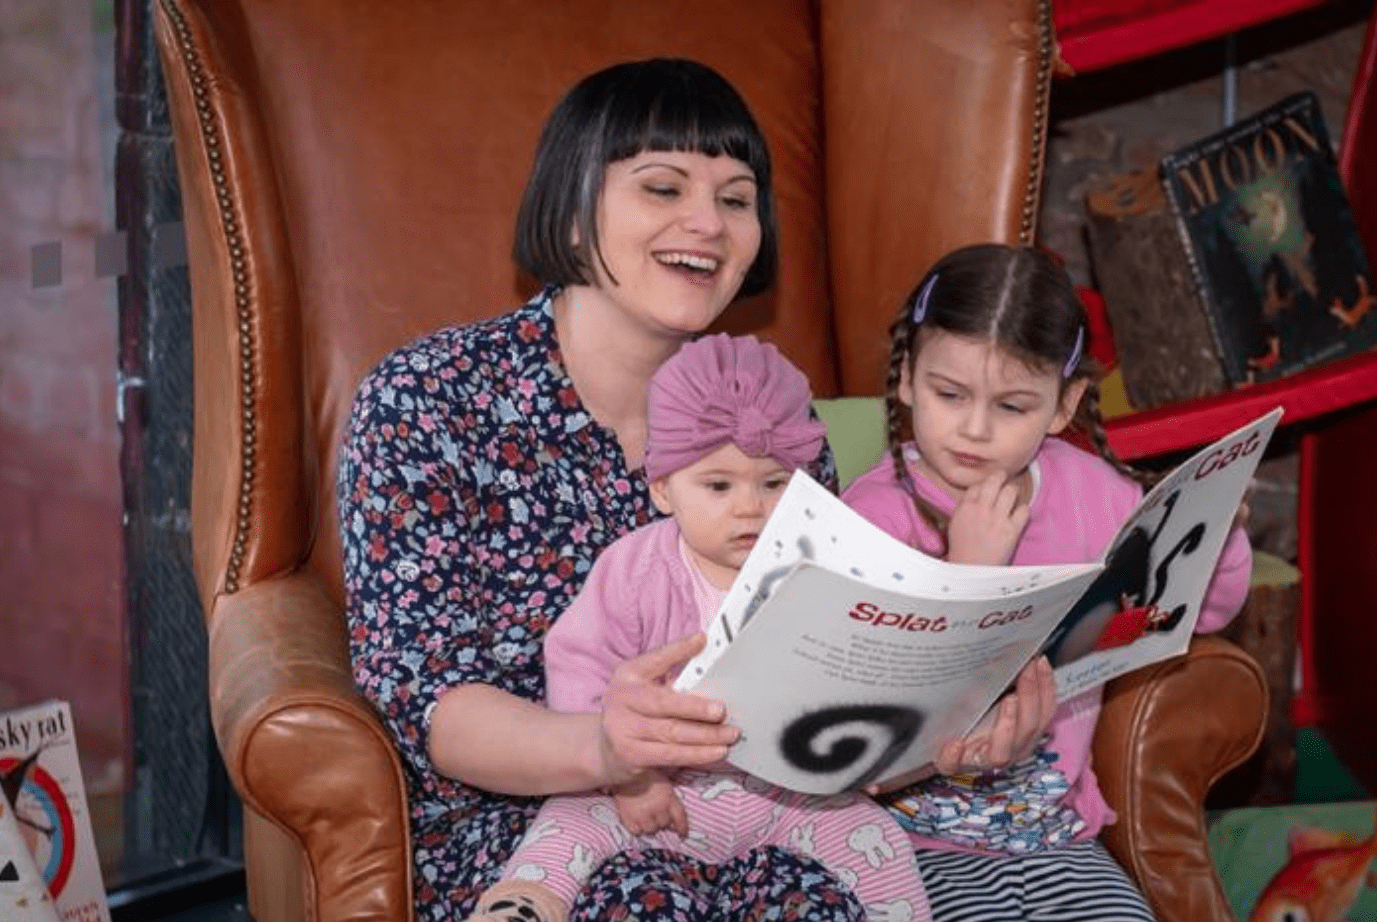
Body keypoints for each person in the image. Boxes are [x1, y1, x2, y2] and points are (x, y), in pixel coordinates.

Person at [339, 56, 894, 922]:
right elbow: (423, 698)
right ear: (571, 204)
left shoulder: (773, 419)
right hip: (525, 827)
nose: (706, 223)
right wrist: (601, 745)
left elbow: (824, 671)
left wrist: (951, 726)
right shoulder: (429, 402)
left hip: (762, 816)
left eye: (736, 199)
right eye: (663, 188)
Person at [840, 243, 1252, 920]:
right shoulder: (873, 515)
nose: (973, 428)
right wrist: (970, 577)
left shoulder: (1089, 490)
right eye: (949, 394)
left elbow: (1202, 610)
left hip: (1054, 835)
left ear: (1063, 407)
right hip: (901, 842)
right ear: (908, 376)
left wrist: (1216, 535)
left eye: (1012, 406)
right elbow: (866, 719)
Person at [464, 333, 932, 922]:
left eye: (773, 483)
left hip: (784, 798)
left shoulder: (821, 569)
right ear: (663, 489)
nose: (749, 508)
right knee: (566, 819)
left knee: (877, 838)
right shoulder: (633, 568)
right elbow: (579, 668)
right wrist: (629, 780)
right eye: (718, 485)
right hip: (658, 792)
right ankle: (525, 904)